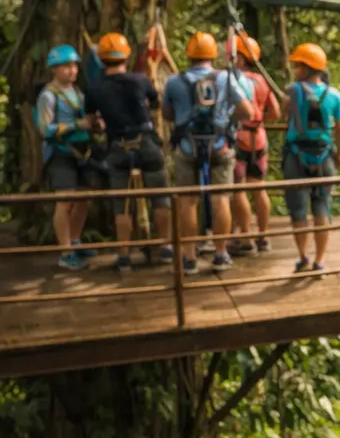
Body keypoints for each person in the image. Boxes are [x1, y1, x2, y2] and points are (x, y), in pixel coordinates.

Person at [85, 32, 176, 274]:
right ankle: (166, 246)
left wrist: (100, 124)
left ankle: (124, 255)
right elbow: (156, 102)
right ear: (125, 56)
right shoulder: (140, 80)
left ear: (101, 59)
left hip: (117, 147)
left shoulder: (94, 88)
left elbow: (91, 121)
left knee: (121, 204)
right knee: (160, 196)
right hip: (145, 143)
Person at [162, 31, 252, 274]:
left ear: (188, 55)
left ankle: (189, 257)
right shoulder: (226, 79)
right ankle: (221, 253)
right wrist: (227, 119)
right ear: (212, 55)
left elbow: (167, 115)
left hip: (187, 147)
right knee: (221, 198)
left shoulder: (173, 82)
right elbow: (247, 111)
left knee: (187, 201)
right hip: (220, 145)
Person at [281, 43, 340, 272]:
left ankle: (303, 257)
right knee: (322, 209)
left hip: (296, 156)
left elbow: (283, 114)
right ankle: (319, 261)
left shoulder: (293, 90)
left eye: (298, 65)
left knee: (298, 210)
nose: (295, 69)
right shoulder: (335, 95)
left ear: (307, 68)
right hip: (324, 157)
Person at [35, 44, 96, 270]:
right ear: (54, 69)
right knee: (64, 201)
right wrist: (75, 124)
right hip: (61, 152)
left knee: (83, 200)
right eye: (66, 66)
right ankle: (65, 251)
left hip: (81, 151)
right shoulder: (48, 96)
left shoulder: (77, 92)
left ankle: (76, 241)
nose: (72, 70)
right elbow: (44, 129)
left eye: (74, 66)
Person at [228, 33, 283, 256]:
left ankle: (245, 236)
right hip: (259, 138)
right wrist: (260, 121)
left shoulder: (234, 80)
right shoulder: (263, 81)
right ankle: (264, 235)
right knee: (259, 187)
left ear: (241, 58)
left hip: (240, 137)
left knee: (239, 189)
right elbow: (276, 112)